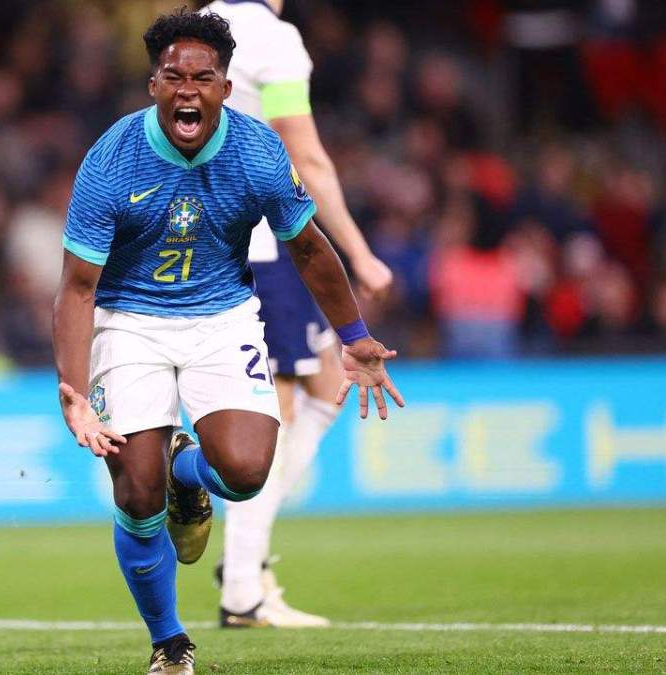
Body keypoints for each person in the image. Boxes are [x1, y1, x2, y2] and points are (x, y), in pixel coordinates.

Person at [52, 9, 403, 674]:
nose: (188, 89)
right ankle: (169, 642)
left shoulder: (258, 151)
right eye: (173, 76)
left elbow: (308, 246)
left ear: (224, 85)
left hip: (223, 316)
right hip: (129, 321)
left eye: (204, 77)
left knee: (244, 473)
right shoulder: (109, 160)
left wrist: (353, 337)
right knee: (135, 494)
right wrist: (74, 392)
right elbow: (76, 287)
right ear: (153, 85)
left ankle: (190, 471)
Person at [204, 0, 395, 628]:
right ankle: (242, 589)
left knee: (322, 386)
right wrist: (359, 254)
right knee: (280, 410)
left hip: (215, 238)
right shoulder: (273, 37)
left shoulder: (196, 25)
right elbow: (307, 159)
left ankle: (243, 556)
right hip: (263, 243)